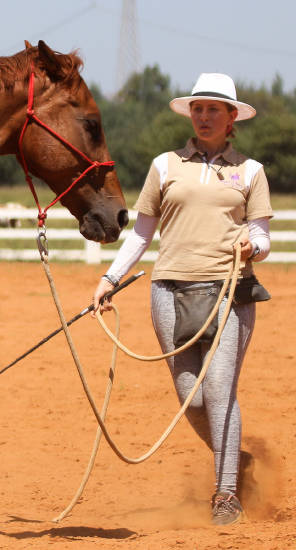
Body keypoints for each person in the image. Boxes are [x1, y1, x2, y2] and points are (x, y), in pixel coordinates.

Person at [91, 73, 273, 525]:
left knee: (219, 390)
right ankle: (235, 460)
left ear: (233, 117)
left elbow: (262, 236)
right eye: (198, 108)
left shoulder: (251, 171)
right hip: (167, 290)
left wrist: (254, 247)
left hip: (229, 292)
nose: (204, 115)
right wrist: (110, 279)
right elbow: (141, 234)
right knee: (191, 399)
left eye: (214, 109)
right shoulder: (164, 165)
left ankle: (226, 492)